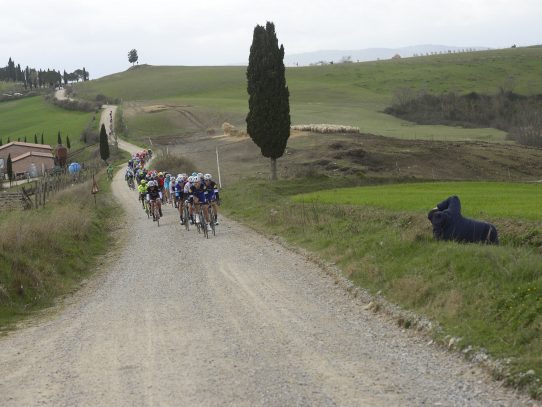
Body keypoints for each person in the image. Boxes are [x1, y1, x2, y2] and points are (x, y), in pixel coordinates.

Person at [428, 195, 498, 244]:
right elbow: (454, 198)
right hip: (489, 229)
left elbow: (437, 240)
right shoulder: (452, 212)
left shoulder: (443, 235)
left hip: (483, 235)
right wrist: (438, 207)